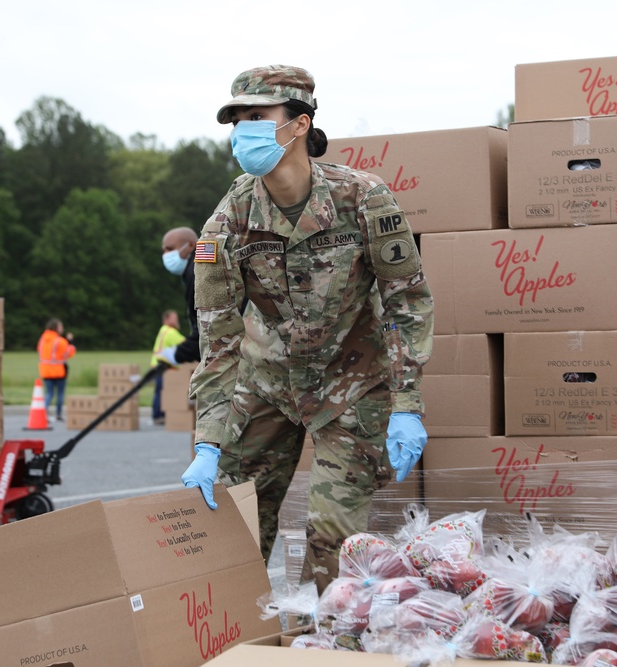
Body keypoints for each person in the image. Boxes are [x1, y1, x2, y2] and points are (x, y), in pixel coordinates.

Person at [181, 65, 434, 593]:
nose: (243, 131)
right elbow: (219, 338)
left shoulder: (362, 199)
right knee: (233, 534)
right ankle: (236, 642)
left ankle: (325, 643)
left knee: (334, 544)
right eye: (236, 121)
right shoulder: (227, 222)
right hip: (265, 386)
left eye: (257, 117)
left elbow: (405, 301)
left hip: (350, 387)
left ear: (298, 124)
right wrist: (209, 441)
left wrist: (406, 405)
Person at [157, 227, 202, 366]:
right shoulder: (193, 270)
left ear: (190, 245)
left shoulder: (198, 272)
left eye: (170, 249)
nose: (166, 255)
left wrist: (179, 353)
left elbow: (206, 329)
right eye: (163, 251)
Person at [149, 309, 187, 424]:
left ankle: (156, 415)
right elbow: (185, 343)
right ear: (166, 319)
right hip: (162, 366)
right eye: (174, 318)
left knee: (159, 391)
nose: (176, 320)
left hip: (157, 365)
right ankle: (159, 416)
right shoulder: (170, 332)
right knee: (163, 392)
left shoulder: (163, 330)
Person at [37, 318, 76, 422]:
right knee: (60, 393)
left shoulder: (42, 339)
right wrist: (70, 342)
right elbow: (68, 353)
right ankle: (58, 414)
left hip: (45, 370)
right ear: (57, 328)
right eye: (61, 326)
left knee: (49, 393)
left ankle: (43, 414)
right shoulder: (60, 341)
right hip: (59, 370)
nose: (62, 328)